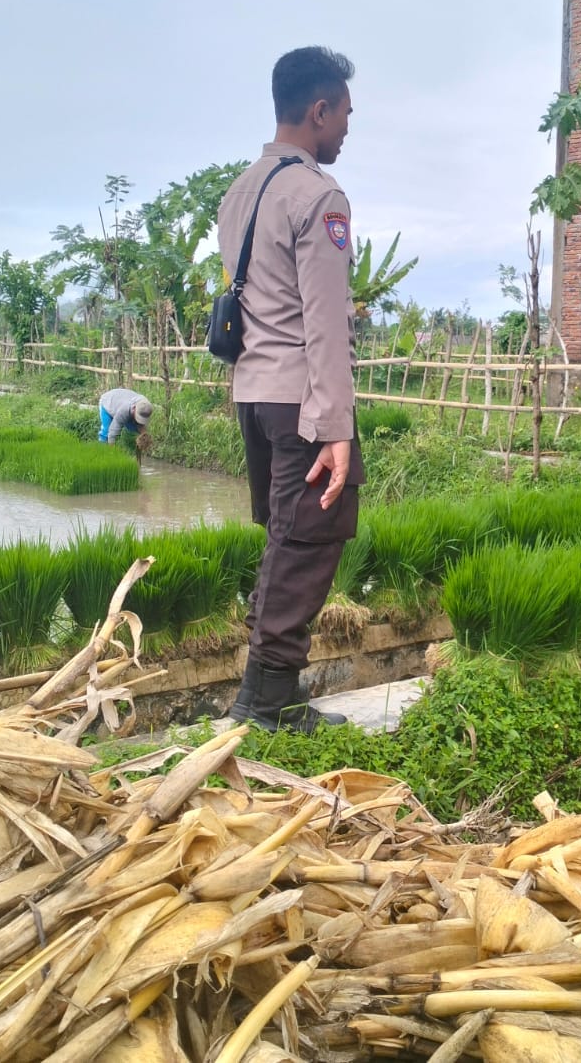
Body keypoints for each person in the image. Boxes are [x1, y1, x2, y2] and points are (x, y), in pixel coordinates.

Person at [215, 45, 363, 732]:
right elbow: (326, 322)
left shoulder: (239, 192)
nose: (346, 130)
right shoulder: (318, 195)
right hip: (301, 398)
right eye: (344, 115)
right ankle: (266, 700)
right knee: (308, 539)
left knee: (284, 538)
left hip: (252, 390)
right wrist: (336, 428)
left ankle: (267, 693)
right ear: (318, 109)